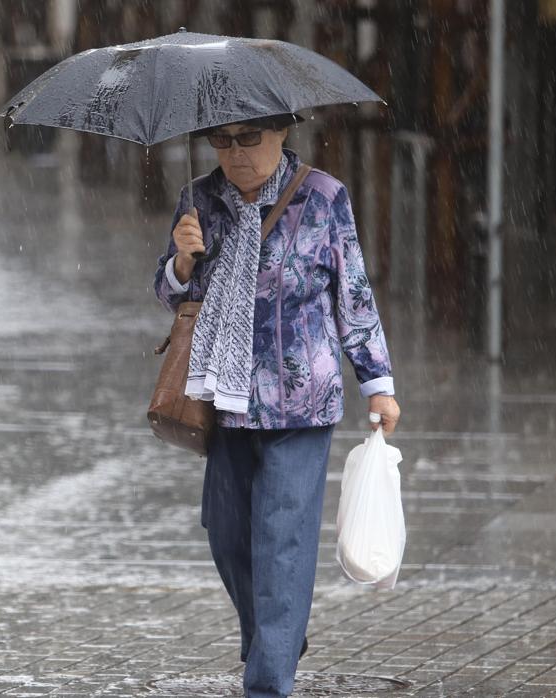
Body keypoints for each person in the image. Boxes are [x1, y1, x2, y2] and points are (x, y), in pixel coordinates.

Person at [153, 115, 402, 697]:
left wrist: (378, 383)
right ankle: (277, 635)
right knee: (226, 532)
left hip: (302, 402)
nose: (234, 153)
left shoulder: (324, 197)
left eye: (248, 138)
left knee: (281, 538)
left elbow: (353, 294)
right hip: (223, 395)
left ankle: (268, 680)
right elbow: (168, 293)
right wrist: (182, 261)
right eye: (221, 140)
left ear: (282, 132)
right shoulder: (200, 199)